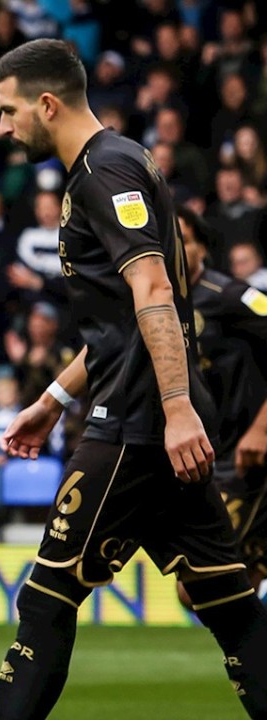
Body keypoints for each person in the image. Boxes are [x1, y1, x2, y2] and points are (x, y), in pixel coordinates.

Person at [0, 39, 267, 720]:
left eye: (8, 111)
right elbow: (119, 326)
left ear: (46, 104)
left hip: (134, 427)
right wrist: (54, 399)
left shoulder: (103, 172)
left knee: (46, 599)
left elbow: (153, 290)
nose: (2, 128)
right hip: (152, 419)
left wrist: (176, 407)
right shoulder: (121, 159)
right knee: (231, 606)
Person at [175, 207, 267, 596]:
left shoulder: (231, 296)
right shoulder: (153, 304)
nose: (174, 248)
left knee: (200, 584)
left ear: (202, 248)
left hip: (245, 457)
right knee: (235, 581)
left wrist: (262, 429)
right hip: (204, 458)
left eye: (183, 240)